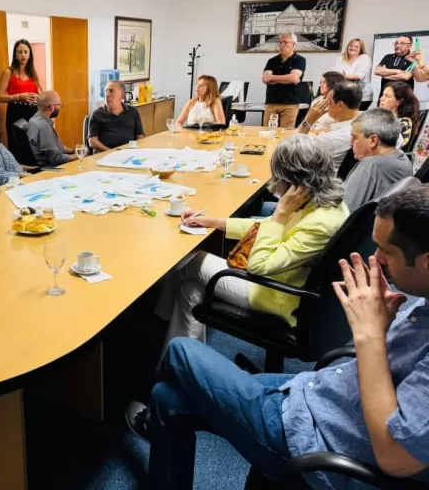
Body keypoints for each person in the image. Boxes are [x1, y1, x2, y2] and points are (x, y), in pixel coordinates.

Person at [128, 184, 429, 490]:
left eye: (386, 251)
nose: (375, 259)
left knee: (180, 350)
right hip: (321, 393)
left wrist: (370, 335)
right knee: (165, 397)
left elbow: (397, 456)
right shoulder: (420, 296)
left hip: (312, 440)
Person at [151, 135, 348, 344]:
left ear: (293, 181)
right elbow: (264, 226)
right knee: (191, 290)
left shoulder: (319, 222)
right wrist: (212, 222)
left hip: (276, 294)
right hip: (282, 280)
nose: (276, 184)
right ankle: (180, 358)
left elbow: (258, 265)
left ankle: (157, 318)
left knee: (190, 261)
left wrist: (280, 214)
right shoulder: (321, 202)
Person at [344, 109, 413, 210]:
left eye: (354, 138)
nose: (351, 143)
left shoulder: (371, 165)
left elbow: (342, 212)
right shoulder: (403, 159)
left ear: (373, 140)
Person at [0, 39, 43, 162]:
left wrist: (38, 98)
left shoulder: (32, 72)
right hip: (16, 113)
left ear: (29, 55)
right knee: (18, 148)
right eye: (19, 52)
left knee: (33, 148)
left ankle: (36, 174)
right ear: (15, 55)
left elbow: (41, 94)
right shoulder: (9, 72)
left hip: (33, 113)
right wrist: (18, 96)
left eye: (25, 52)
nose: (23, 55)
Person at [298, 81, 362, 169]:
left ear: (340, 105)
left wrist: (308, 120)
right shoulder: (362, 121)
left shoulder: (331, 138)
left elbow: (294, 150)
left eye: (328, 102)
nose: (326, 107)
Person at [262, 33, 306, 128]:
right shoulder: (272, 61)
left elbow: (293, 78)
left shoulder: (300, 60)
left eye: (285, 42)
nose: (282, 45)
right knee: (268, 132)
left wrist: (273, 78)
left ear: (293, 44)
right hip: (271, 102)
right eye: (280, 42)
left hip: (290, 104)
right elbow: (266, 78)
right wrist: (287, 78)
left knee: (285, 135)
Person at [88, 80, 145, 152]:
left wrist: (132, 151)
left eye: (111, 91)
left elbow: (140, 136)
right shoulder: (97, 114)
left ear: (121, 96)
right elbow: (92, 142)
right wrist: (111, 152)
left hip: (128, 154)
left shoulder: (133, 112)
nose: (107, 94)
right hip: (104, 154)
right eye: (106, 91)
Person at [26, 91, 77, 167]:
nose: (60, 107)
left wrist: (72, 151)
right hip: (51, 169)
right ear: (52, 107)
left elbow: (54, 146)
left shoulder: (34, 119)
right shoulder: (44, 127)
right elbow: (56, 158)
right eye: (59, 105)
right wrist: (77, 156)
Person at [333, 37, 374, 110]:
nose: (353, 48)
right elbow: (333, 74)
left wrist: (342, 76)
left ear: (360, 49)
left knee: (357, 119)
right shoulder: (340, 58)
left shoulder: (364, 58)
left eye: (356, 47)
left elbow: (359, 76)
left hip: (362, 96)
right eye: (351, 45)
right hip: (345, 94)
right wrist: (345, 76)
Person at [379, 81, 420, 147]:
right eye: (382, 95)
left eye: (387, 96)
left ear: (399, 101)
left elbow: (393, 148)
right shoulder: (381, 116)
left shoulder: (404, 122)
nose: (381, 99)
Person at [374, 35, 415, 99]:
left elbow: (405, 77)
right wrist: (397, 71)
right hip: (384, 97)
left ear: (409, 46)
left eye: (402, 43)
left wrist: (385, 75)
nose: (397, 46)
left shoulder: (412, 59)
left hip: (403, 99)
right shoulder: (387, 57)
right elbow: (377, 71)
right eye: (396, 43)